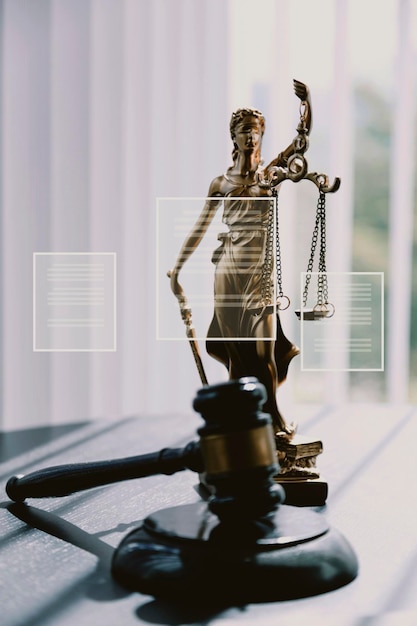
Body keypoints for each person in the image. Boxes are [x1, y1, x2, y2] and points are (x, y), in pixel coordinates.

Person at [170, 81, 312, 440]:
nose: (251, 138)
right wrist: (178, 268)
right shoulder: (221, 182)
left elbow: (301, 144)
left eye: (256, 132)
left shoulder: (270, 175)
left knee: (264, 353)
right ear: (233, 137)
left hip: (259, 275)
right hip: (228, 272)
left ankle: (274, 418)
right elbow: (201, 226)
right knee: (237, 356)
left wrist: (306, 105)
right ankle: (240, 423)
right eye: (244, 132)